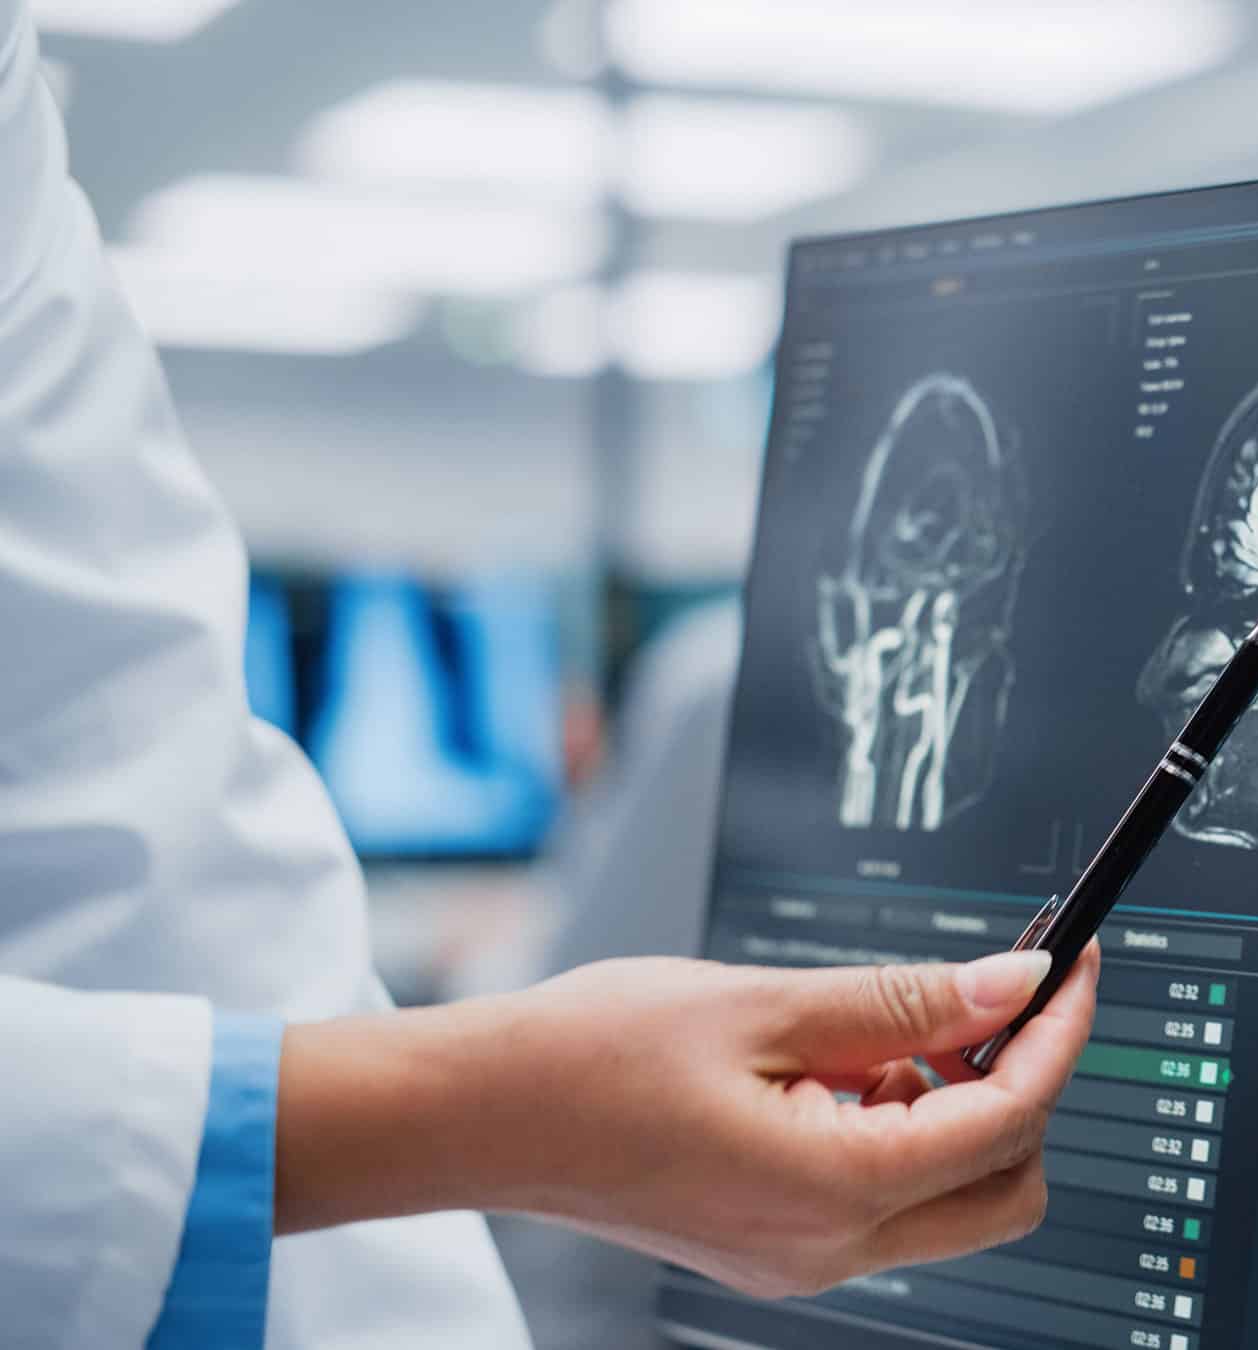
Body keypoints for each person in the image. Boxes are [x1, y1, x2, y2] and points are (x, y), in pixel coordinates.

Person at [0, 6, 1098, 1347]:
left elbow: (139, 840)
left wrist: (475, 1115)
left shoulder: (712, 686)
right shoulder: (719, 687)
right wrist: (489, 1112)